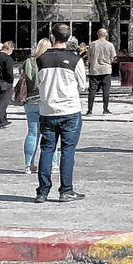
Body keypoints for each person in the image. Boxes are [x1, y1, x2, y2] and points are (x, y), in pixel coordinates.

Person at [34, 23, 87, 203]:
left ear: (52, 37)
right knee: (67, 151)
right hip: (70, 109)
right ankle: (66, 190)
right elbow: (82, 85)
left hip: (48, 109)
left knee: (47, 150)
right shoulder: (75, 59)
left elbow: (38, 82)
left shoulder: (40, 60)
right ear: (69, 38)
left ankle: (42, 191)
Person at [18, 38, 50, 171]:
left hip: (30, 100)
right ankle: (52, 164)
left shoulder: (28, 62)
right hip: (45, 100)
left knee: (32, 132)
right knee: (49, 134)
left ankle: (28, 164)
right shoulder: (47, 61)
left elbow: (22, 76)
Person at [86, 27, 116, 115]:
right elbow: (112, 58)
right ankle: (105, 109)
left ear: (97, 34)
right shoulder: (110, 45)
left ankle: (90, 110)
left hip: (94, 70)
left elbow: (89, 58)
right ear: (106, 35)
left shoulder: (92, 44)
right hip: (106, 70)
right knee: (106, 90)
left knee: (92, 90)